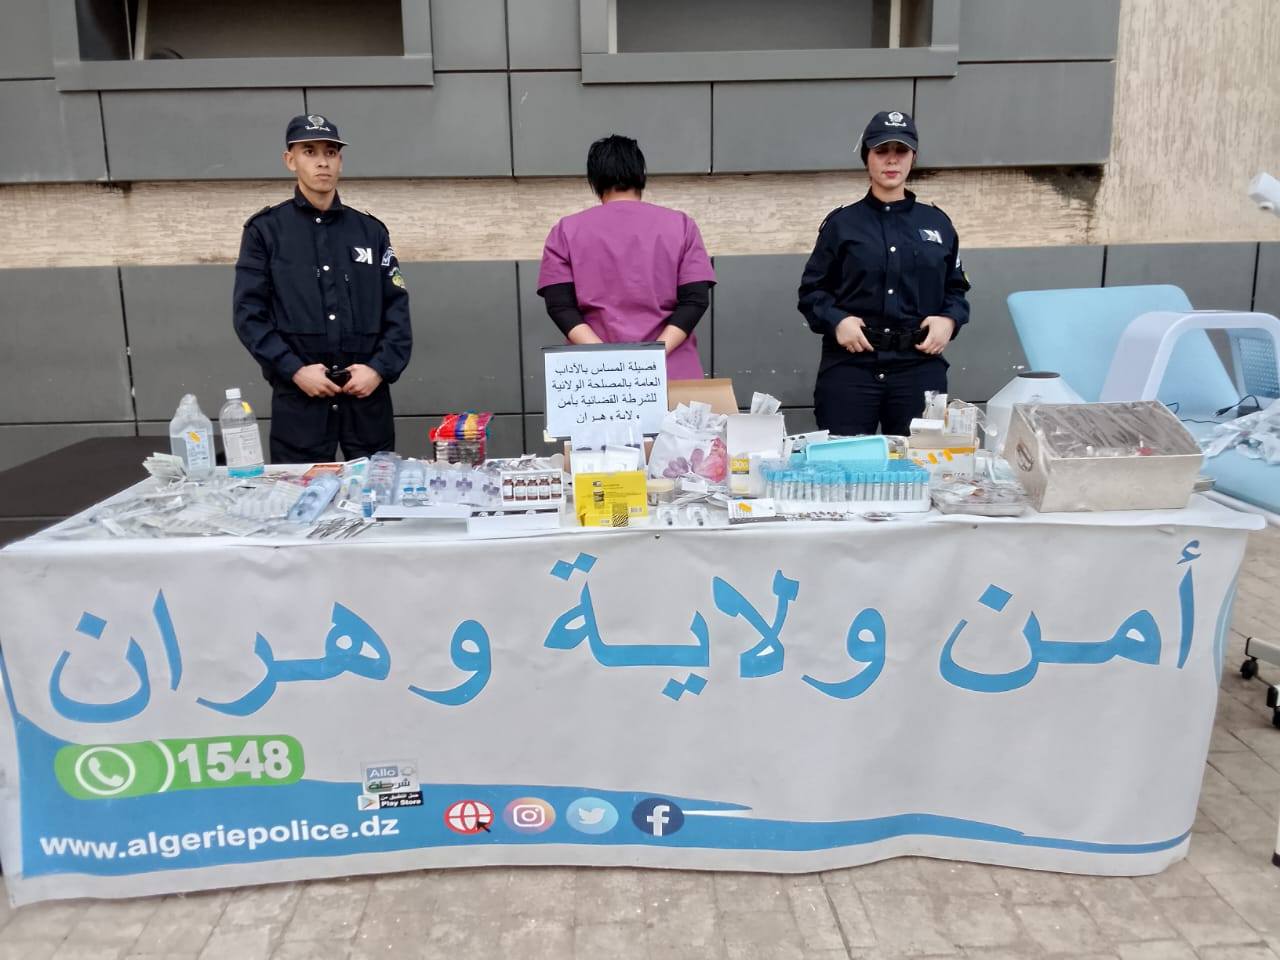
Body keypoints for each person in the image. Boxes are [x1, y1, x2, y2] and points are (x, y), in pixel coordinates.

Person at [233, 114, 412, 463]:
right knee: (300, 492)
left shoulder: (370, 232)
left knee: (377, 490)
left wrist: (378, 369)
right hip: (301, 401)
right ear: (290, 160)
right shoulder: (266, 232)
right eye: (309, 151)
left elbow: (397, 310)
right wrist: (294, 370)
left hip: (366, 398)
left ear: (340, 161)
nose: (322, 162)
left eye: (330, 152)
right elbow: (249, 316)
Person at [797, 110, 970, 436]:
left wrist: (949, 320)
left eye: (901, 151)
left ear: (913, 157)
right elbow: (812, 292)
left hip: (917, 368)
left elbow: (956, 290)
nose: (892, 160)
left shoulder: (937, 224)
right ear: (867, 157)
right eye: (881, 151)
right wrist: (837, 321)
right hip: (852, 367)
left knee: (918, 461)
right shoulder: (842, 225)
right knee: (844, 460)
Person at [537, 135, 716, 380]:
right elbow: (695, 300)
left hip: (595, 376)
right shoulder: (682, 226)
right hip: (671, 373)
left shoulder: (565, 231)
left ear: (594, 180)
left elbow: (560, 306)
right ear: (641, 174)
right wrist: (652, 356)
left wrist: (610, 359)